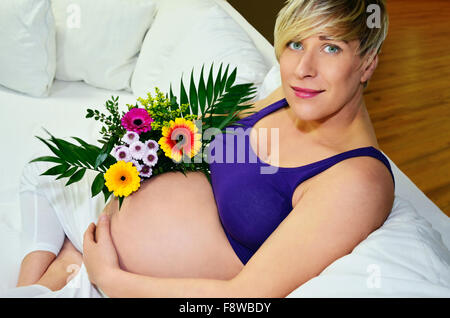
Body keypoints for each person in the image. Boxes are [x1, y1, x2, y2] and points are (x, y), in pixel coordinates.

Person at [14, 0, 394, 297]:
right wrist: (151, 138)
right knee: (43, 171)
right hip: (105, 232)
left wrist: (109, 278)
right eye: (296, 44)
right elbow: (220, 131)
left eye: (330, 49)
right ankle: (44, 273)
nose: (302, 68)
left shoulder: (358, 180)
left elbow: (247, 295)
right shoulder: (292, 96)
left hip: (137, 282)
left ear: (367, 64)